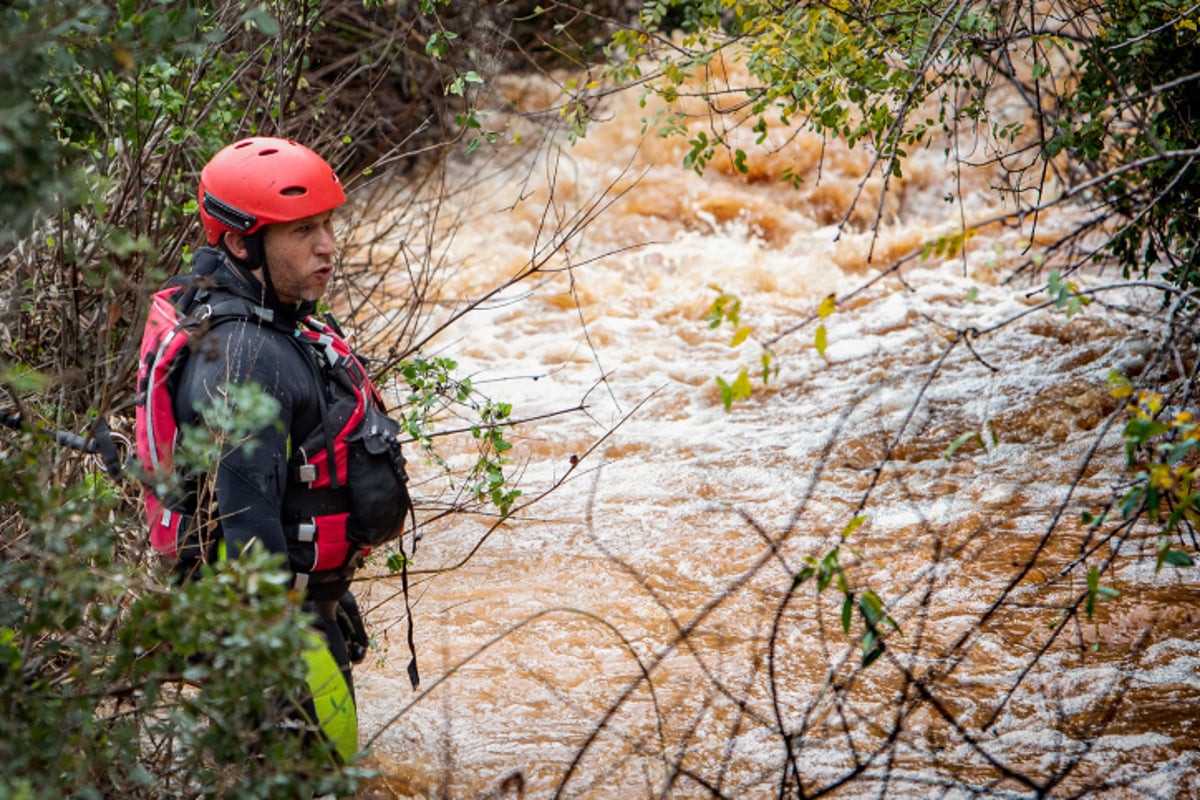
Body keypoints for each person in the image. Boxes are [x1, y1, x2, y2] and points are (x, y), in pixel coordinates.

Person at [136, 136, 414, 764]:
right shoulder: (245, 358)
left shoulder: (286, 318)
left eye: (327, 225)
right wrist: (287, 653)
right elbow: (245, 520)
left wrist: (330, 594)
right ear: (241, 243)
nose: (327, 245)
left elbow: (295, 485)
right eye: (302, 231)